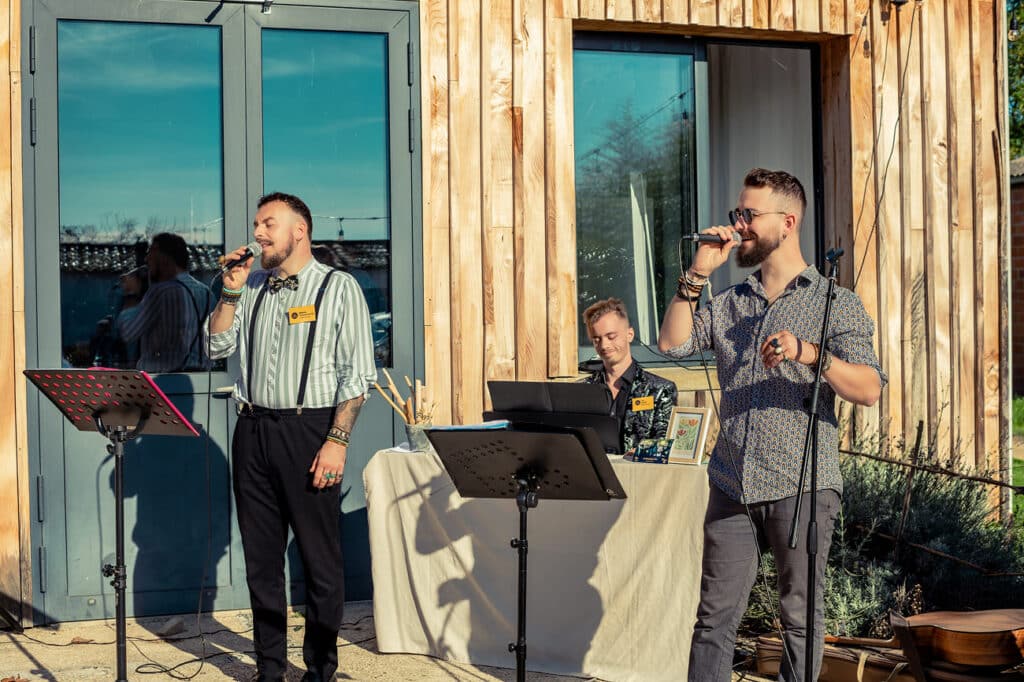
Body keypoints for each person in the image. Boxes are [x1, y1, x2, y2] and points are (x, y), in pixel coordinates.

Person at [657, 169, 885, 682]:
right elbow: (672, 343)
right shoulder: (730, 301)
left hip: (801, 485)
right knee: (713, 621)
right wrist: (697, 273)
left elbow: (869, 387)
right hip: (731, 482)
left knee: (800, 619)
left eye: (749, 214)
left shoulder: (834, 302)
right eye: (737, 213)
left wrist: (809, 352)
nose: (739, 224)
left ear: (788, 222)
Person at [204, 192, 376, 682]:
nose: (257, 233)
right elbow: (216, 345)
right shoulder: (251, 286)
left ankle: (319, 669)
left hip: (310, 431)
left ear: (299, 230)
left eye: (268, 224)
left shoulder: (338, 287)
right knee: (261, 562)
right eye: (256, 224)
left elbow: (357, 376)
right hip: (252, 430)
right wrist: (230, 292)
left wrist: (337, 441)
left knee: (320, 561)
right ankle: (270, 670)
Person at [581, 297, 677, 453]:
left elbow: (662, 446)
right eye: (596, 339)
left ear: (630, 334)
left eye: (611, 337)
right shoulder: (581, 390)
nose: (604, 345)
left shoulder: (660, 390)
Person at [116, 233, 214, 372]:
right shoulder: (206, 293)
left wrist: (131, 293)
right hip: (200, 378)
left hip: (162, 379)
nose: (147, 259)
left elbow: (128, 332)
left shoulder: (161, 292)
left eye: (151, 253)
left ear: (164, 258)